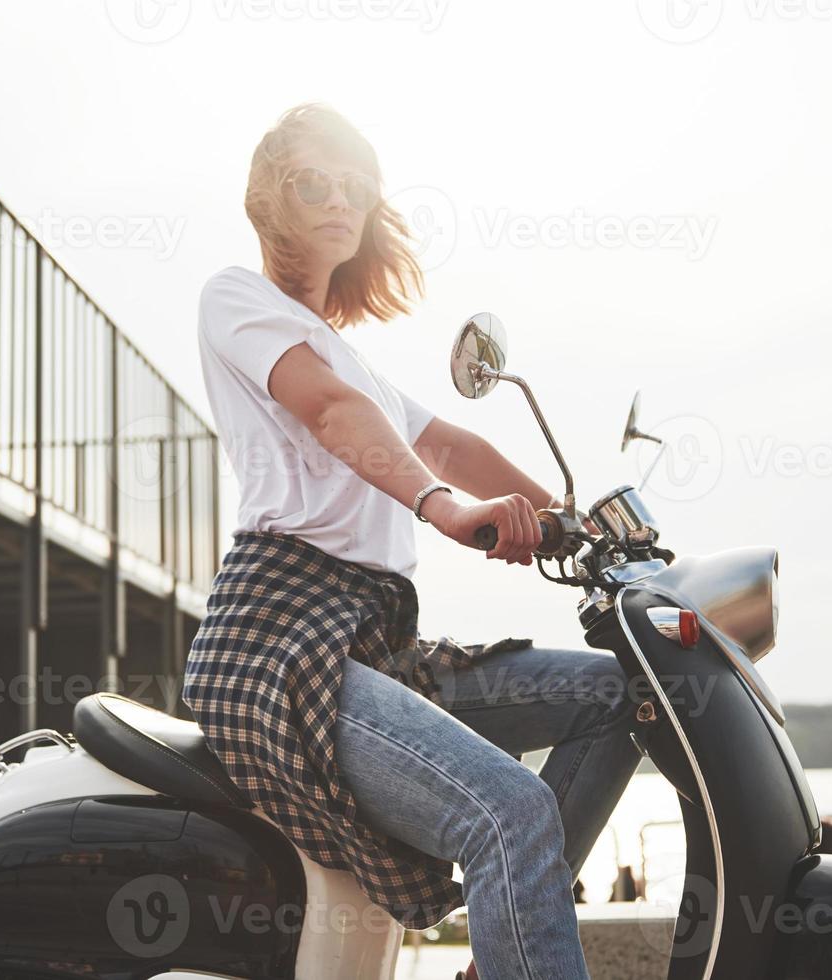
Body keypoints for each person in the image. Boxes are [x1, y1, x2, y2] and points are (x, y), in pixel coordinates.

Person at [182, 103, 645, 980]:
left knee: (622, 692)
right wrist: (441, 507)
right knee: (506, 809)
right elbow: (331, 414)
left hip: (368, 638)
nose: (338, 200)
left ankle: (502, 951)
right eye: (314, 182)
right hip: (276, 641)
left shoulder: (350, 355)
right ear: (269, 198)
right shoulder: (236, 300)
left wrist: (570, 523)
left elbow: (453, 445)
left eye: (354, 186)